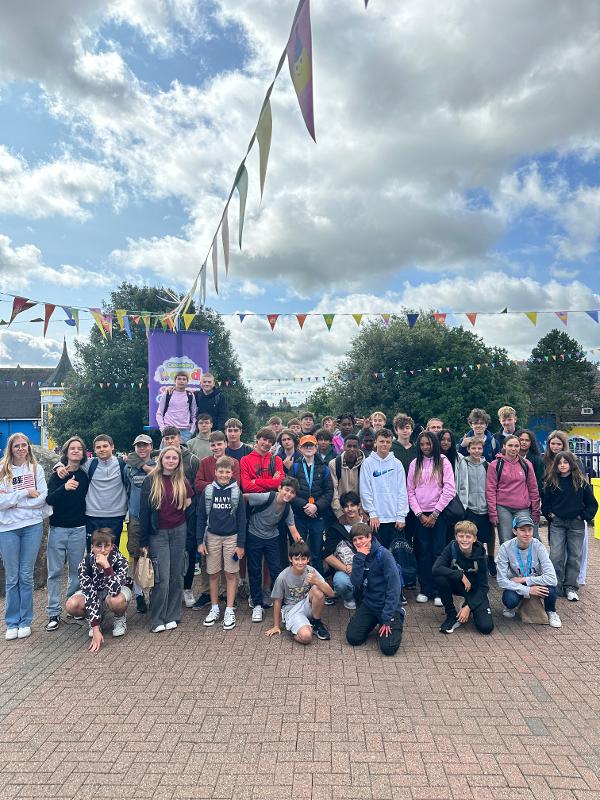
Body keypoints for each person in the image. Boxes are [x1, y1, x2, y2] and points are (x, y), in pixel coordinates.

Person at [0, 433, 50, 640]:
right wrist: (25, 493)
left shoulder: (36, 469)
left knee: (26, 575)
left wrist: (13, 501)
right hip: (8, 528)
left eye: (24, 445)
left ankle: (25, 621)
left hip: (32, 526)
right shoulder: (2, 470)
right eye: (16, 446)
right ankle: (12, 622)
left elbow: (43, 498)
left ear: (28, 447)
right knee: (12, 577)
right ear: (10, 449)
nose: (21, 448)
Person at [139, 446, 193, 633]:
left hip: (179, 531)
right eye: (167, 457)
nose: (171, 461)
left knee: (176, 575)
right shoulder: (150, 480)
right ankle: (157, 618)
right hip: (158, 534)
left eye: (174, 458)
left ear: (179, 461)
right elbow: (143, 512)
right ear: (161, 459)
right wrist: (143, 540)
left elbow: (189, 505)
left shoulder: (182, 480)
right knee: (162, 577)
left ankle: (172, 615)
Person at [197, 455, 246, 630]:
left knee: (231, 574)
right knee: (213, 573)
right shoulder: (208, 491)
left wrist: (241, 545)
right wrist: (200, 542)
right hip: (212, 537)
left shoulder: (236, 492)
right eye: (221, 472)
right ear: (215, 472)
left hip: (232, 537)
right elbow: (201, 517)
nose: (224, 475)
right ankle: (215, 607)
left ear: (232, 473)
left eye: (227, 472)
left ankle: (230, 609)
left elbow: (242, 520)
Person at [45, 436, 90, 630]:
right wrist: (64, 487)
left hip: (79, 529)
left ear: (83, 453)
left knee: (76, 571)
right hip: (58, 529)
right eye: (72, 448)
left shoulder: (85, 475)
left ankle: (73, 607)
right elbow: (49, 499)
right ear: (66, 452)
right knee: (54, 572)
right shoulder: (58, 475)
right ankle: (53, 612)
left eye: (79, 448)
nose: (76, 451)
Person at [407, 431, 455, 604]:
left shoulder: (443, 461)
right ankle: (425, 588)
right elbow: (410, 491)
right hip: (420, 515)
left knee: (438, 551)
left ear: (434, 444)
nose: (426, 447)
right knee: (423, 551)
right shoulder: (415, 463)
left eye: (428, 443)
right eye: (422, 444)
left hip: (438, 515)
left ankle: (438, 591)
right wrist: (419, 513)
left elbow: (449, 489)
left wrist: (435, 513)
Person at [245, 477, 302, 622]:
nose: (288, 494)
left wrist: (301, 545)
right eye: (286, 490)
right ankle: (257, 604)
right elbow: (244, 497)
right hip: (254, 535)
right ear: (280, 488)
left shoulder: (287, 509)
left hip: (272, 538)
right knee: (254, 570)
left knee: (276, 571)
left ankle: (283, 605)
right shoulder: (266, 497)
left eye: (292, 492)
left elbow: (293, 530)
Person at [66, 527, 133, 652]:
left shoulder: (121, 560)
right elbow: (89, 595)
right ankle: (95, 620)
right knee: (72, 605)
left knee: (116, 601)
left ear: (112, 546)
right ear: (92, 547)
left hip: (115, 591)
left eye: (106, 546)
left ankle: (119, 617)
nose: (102, 550)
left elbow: (115, 590)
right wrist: (95, 628)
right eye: (98, 546)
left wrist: (107, 567)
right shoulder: (85, 564)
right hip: (95, 592)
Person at [542, 451, 598, 601]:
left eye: (565, 462)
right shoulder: (552, 482)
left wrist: (583, 516)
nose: (562, 465)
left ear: (571, 464)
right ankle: (556, 585)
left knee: (574, 556)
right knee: (556, 555)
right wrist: (549, 514)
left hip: (576, 524)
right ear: (556, 465)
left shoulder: (581, 482)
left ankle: (571, 587)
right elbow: (546, 503)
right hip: (558, 523)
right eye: (559, 463)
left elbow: (592, 504)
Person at [57, 434, 128, 550]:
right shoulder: (90, 464)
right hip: (92, 516)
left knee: (112, 553)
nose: (102, 449)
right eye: (98, 447)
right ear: (94, 449)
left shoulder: (123, 464)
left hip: (116, 516)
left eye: (105, 446)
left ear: (112, 447)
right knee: (93, 553)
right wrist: (59, 467)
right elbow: (70, 462)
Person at [345, 522, 405, 656]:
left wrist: (387, 617)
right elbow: (356, 582)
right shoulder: (358, 556)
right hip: (370, 604)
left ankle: (397, 617)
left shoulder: (384, 555)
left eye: (361, 538)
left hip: (388, 607)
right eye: (355, 540)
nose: (358, 542)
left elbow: (394, 588)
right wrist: (360, 558)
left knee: (388, 648)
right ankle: (375, 621)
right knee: (353, 638)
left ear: (369, 537)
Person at [496, 512, 561, 628]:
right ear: (514, 531)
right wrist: (528, 590)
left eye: (530, 530)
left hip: (532, 580)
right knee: (509, 599)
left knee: (551, 590)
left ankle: (551, 611)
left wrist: (525, 580)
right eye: (522, 530)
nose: (527, 534)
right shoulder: (505, 548)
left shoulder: (538, 546)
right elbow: (501, 580)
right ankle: (511, 606)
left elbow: (552, 579)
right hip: (517, 583)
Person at [432, 520, 494, 635]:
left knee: (486, 627)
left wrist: (469, 606)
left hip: (474, 590)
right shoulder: (451, 547)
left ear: (474, 538)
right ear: (456, 537)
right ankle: (451, 615)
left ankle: (467, 605)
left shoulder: (481, 556)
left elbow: (484, 587)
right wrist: (460, 575)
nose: (464, 540)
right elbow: (436, 568)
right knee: (440, 577)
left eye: (468, 537)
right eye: (461, 536)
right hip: (458, 585)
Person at [266, 539, 333, 643]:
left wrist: (316, 581)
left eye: (303, 559)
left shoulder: (311, 571)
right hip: (292, 608)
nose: (300, 562)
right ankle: (296, 626)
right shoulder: (283, 577)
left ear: (308, 559)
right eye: (296, 559)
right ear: (290, 559)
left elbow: (331, 593)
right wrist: (276, 626)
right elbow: (277, 601)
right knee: (306, 637)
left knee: (317, 589)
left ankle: (316, 622)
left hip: (307, 604)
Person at [289, 435, 333, 576]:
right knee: (298, 551)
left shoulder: (324, 468)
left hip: (317, 516)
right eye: (305, 446)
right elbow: (289, 491)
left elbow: (329, 492)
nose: (308, 448)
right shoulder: (295, 467)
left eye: (311, 445)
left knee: (317, 553)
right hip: (299, 516)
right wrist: (305, 505)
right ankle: (298, 583)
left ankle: (318, 584)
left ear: (316, 448)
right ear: (300, 449)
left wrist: (316, 506)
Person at [486, 435, 540, 545]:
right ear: (504, 446)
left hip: (522, 508)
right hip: (503, 507)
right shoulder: (495, 465)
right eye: (510, 445)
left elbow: (533, 488)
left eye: (516, 446)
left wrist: (536, 510)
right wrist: (493, 513)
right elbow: (490, 490)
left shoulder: (526, 464)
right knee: (506, 541)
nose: (513, 449)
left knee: (524, 539)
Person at [359, 428, 408, 549]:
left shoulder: (397, 464)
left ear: (391, 444)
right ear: (375, 442)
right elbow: (365, 490)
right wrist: (372, 513)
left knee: (395, 555)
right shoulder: (367, 463)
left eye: (387, 442)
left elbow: (402, 491)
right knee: (377, 553)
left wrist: (401, 516)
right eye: (381, 441)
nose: (384, 444)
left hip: (395, 519)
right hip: (376, 519)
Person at [454, 437, 496, 576]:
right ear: (468, 449)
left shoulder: (487, 465)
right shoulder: (464, 463)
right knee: (472, 537)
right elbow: (460, 484)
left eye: (479, 448)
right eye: (473, 448)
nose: (476, 451)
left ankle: (488, 561)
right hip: (470, 507)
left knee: (487, 536)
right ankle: (473, 564)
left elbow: (491, 486)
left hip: (484, 507)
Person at [124, 434, 155, 614]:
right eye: (139, 446)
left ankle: (153, 592)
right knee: (136, 556)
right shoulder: (128, 467)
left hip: (155, 518)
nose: (142, 448)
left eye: (145, 445)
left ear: (151, 447)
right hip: (135, 517)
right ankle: (139, 595)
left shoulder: (158, 465)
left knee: (153, 556)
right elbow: (125, 488)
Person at [323, 491, 364, 609]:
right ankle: (349, 598)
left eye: (353, 505)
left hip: (366, 568)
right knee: (340, 581)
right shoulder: (336, 529)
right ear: (342, 509)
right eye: (346, 506)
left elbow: (378, 551)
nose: (350, 509)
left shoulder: (369, 524)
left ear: (358, 506)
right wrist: (346, 568)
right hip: (346, 570)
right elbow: (327, 555)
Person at [329, 434, 364, 521]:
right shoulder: (334, 464)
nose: (352, 449)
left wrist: (362, 511)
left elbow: (366, 490)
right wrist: (340, 514)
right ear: (344, 447)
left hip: (360, 511)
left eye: (355, 446)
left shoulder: (365, 464)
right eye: (349, 446)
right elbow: (333, 490)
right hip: (341, 509)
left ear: (359, 447)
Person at [155, 371, 196, 443]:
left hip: (185, 431)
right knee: (166, 450)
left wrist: (191, 432)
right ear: (175, 381)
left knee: (184, 451)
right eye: (179, 379)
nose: (181, 381)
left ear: (187, 382)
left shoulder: (190, 395)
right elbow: (159, 413)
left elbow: (194, 415)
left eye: (184, 379)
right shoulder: (168, 393)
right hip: (169, 430)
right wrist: (163, 429)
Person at [240, 427, 284, 494]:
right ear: (257, 439)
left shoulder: (277, 460)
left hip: (272, 499)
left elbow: (279, 483)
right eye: (264, 439)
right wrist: (271, 483)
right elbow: (246, 486)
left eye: (270, 441)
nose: (266, 443)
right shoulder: (245, 460)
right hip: (254, 499)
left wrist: (256, 481)